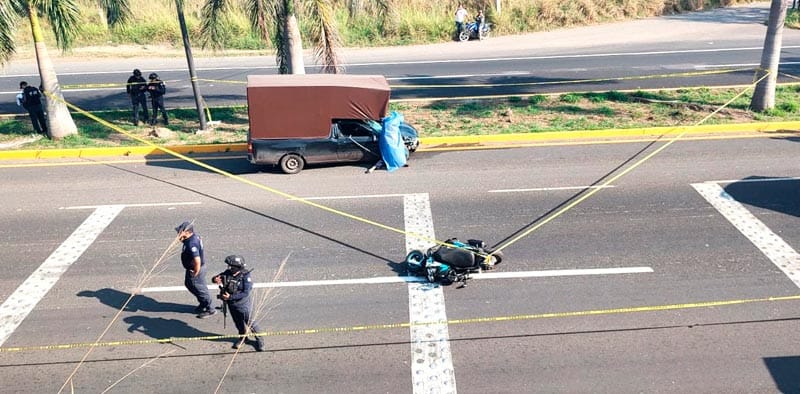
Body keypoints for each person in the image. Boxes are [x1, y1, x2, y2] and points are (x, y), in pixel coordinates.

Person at [212, 255, 265, 352]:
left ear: (238, 267)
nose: (229, 268)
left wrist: (231, 297)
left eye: (231, 266)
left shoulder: (245, 276)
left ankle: (260, 340)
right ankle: (243, 338)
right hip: (231, 304)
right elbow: (217, 277)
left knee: (250, 323)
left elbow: (246, 292)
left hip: (243, 305)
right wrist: (215, 279)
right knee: (238, 323)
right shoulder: (228, 273)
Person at [175, 221, 216, 318]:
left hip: (196, 269)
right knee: (189, 284)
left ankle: (210, 308)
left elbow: (197, 260)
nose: (178, 233)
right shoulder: (191, 238)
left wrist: (195, 272)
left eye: (181, 231)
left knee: (200, 289)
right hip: (191, 268)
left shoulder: (191, 244)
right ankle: (203, 303)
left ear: (188, 232)